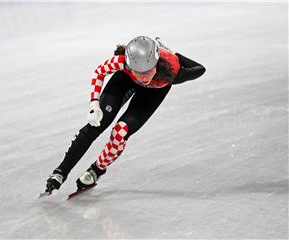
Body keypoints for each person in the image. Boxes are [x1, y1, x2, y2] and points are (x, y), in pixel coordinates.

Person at [44, 36, 206, 193]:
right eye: (138, 71)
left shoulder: (172, 71)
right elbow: (99, 72)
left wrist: (175, 55)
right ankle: (61, 171)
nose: (143, 78)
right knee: (96, 123)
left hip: (153, 93)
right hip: (124, 81)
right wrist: (94, 104)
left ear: (156, 63)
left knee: (120, 132)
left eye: (147, 71)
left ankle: (96, 170)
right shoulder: (121, 62)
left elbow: (200, 69)